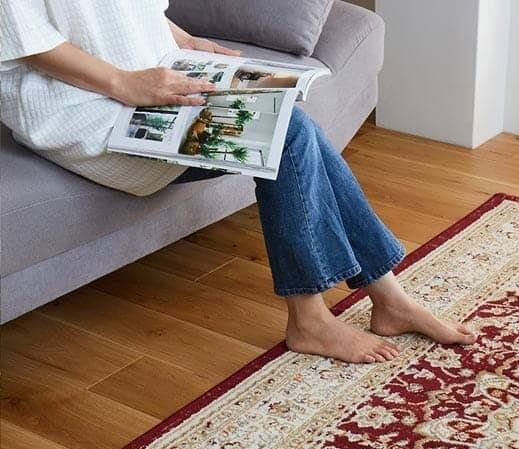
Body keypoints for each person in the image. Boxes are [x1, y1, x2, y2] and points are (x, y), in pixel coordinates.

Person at [1, 0, 477, 364]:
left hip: (149, 80)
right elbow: (25, 36)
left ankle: (388, 300)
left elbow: (130, 11)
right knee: (284, 131)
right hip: (82, 109)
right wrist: (125, 84)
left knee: (290, 123)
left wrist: (187, 41)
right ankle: (310, 320)